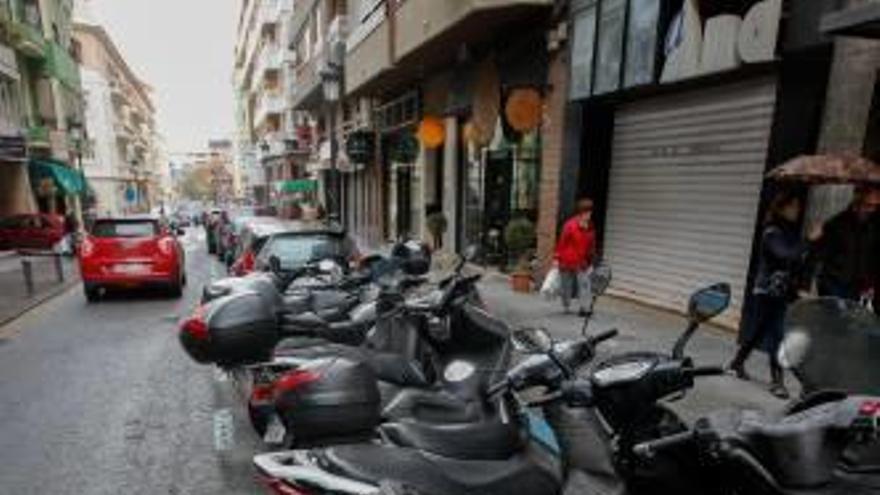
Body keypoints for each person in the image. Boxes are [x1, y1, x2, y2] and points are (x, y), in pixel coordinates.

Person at [729, 191, 820, 399]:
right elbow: (785, 255)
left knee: (760, 331)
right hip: (767, 291)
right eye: (793, 206)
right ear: (782, 208)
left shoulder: (788, 231)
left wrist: (799, 287)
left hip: (782, 291)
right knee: (777, 334)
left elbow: (795, 260)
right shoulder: (772, 232)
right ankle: (777, 382)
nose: (797, 210)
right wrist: (808, 239)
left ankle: (737, 362)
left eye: (798, 207)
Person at [812, 185, 880, 302]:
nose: (872, 210)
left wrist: (869, 282)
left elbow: (871, 255)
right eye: (868, 205)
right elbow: (820, 253)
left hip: (856, 287)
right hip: (834, 285)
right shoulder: (836, 224)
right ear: (857, 199)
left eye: (876, 206)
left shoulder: (872, 225)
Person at [554, 198, 597, 316]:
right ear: (581, 212)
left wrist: (592, 259)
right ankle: (566, 305)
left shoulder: (591, 227)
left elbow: (592, 244)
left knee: (584, 284)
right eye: (586, 212)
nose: (589, 214)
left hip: (581, 261)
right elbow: (562, 243)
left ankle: (584, 309)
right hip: (567, 260)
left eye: (590, 212)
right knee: (566, 286)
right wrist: (557, 258)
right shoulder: (570, 225)